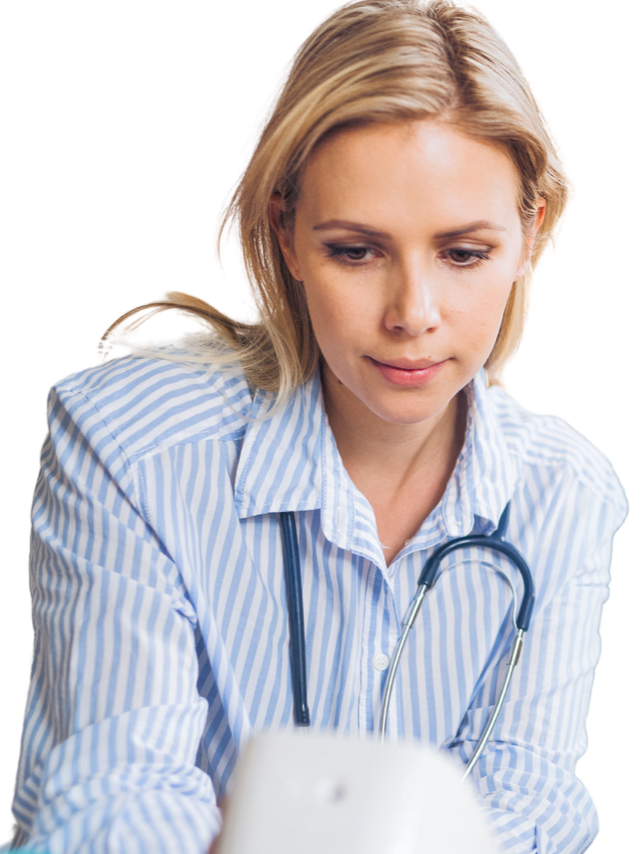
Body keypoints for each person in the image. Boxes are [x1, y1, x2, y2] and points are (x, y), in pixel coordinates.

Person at [9, 1, 628, 852]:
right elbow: (119, 801)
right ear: (286, 237)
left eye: (463, 253)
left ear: (531, 237)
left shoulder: (566, 489)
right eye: (356, 250)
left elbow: (528, 802)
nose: (414, 315)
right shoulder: (127, 445)